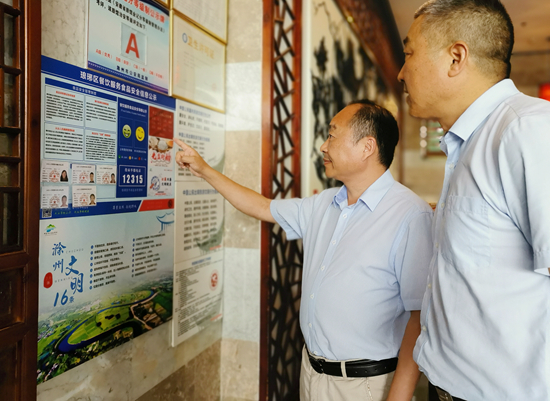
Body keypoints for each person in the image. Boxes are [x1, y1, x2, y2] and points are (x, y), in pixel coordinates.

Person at [398, 0, 550, 401]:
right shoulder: (469, 144)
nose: (401, 73)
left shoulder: (528, 131)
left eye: (409, 54)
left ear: (456, 58)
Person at [175, 100, 433, 401]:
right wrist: (205, 170)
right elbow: (262, 207)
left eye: (332, 135)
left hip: (366, 386)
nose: (323, 146)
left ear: (367, 147)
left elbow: (419, 318)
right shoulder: (324, 203)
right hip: (311, 373)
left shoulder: (409, 215)